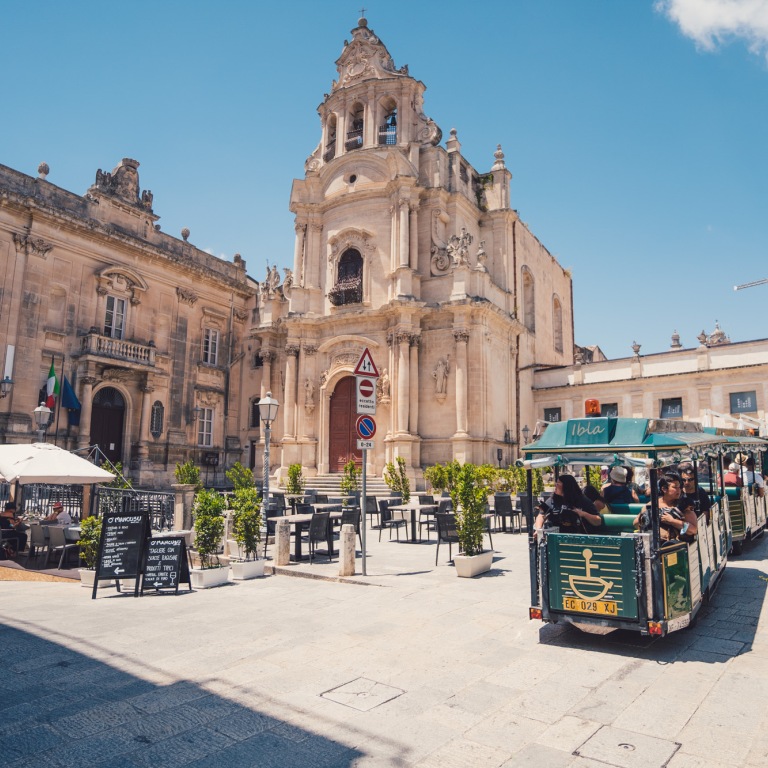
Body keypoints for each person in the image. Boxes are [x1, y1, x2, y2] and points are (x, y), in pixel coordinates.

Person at [634, 473, 697, 543]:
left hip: (675, 546)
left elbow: (693, 530)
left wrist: (673, 521)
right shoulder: (652, 505)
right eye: (675, 487)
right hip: (652, 544)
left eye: (679, 487)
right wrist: (648, 518)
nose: (678, 490)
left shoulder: (684, 506)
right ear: (664, 489)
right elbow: (635, 523)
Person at [534, 474, 603, 537]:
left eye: (558, 483)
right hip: (556, 538)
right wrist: (538, 529)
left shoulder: (582, 500)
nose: (555, 485)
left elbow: (598, 521)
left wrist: (583, 514)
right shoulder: (553, 499)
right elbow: (541, 515)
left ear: (566, 486)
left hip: (578, 538)